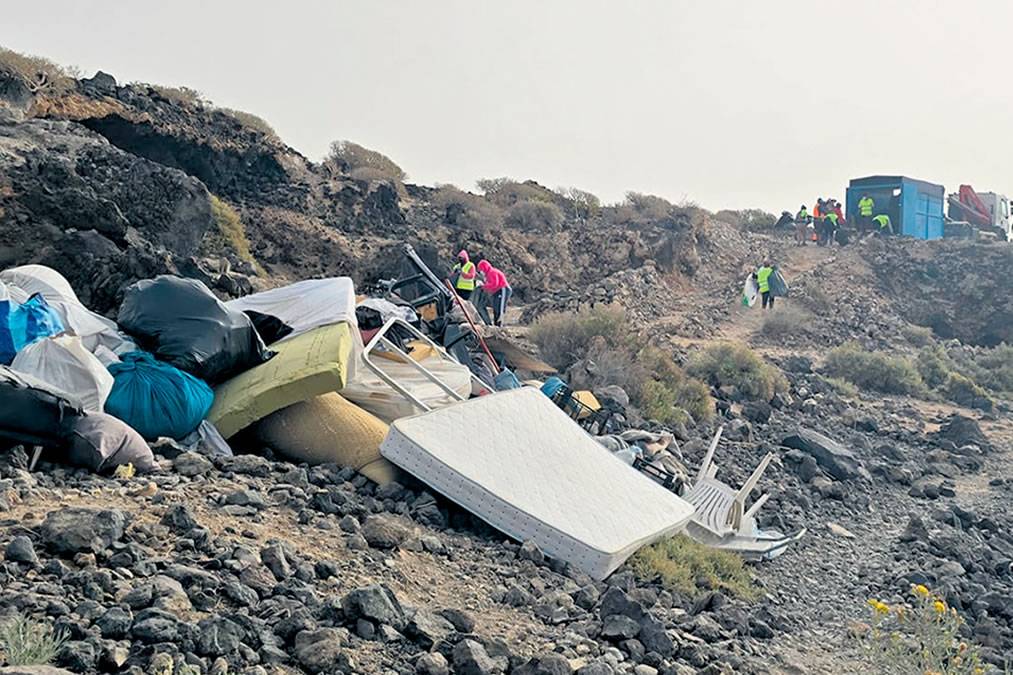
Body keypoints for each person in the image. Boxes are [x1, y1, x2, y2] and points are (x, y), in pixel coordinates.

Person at [475, 259, 512, 326]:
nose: (481, 272)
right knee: (495, 308)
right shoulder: (487, 275)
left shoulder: (492, 272)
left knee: (500, 307)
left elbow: (494, 284)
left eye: (481, 270)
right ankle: (496, 324)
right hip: (497, 291)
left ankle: (500, 325)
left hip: (503, 289)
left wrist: (483, 286)